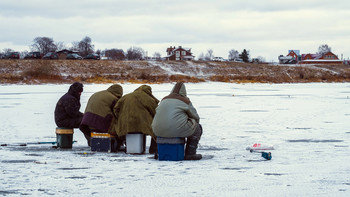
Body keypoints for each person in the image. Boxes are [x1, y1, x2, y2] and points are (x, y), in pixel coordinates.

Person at [152, 82, 203, 160]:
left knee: (159, 124)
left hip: (157, 129)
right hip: (176, 129)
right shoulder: (185, 101)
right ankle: (190, 153)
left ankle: (158, 152)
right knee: (197, 128)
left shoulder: (164, 100)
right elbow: (195, 117)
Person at [114, 85, 159, 153]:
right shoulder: (149, 98)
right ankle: (153, 149)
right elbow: (155, 112)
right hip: (142, 124)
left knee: (127, 131)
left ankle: (127, 146)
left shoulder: (125, 97)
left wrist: (121, 119)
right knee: (156, 130)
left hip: (126, 124)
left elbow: (116, 109)